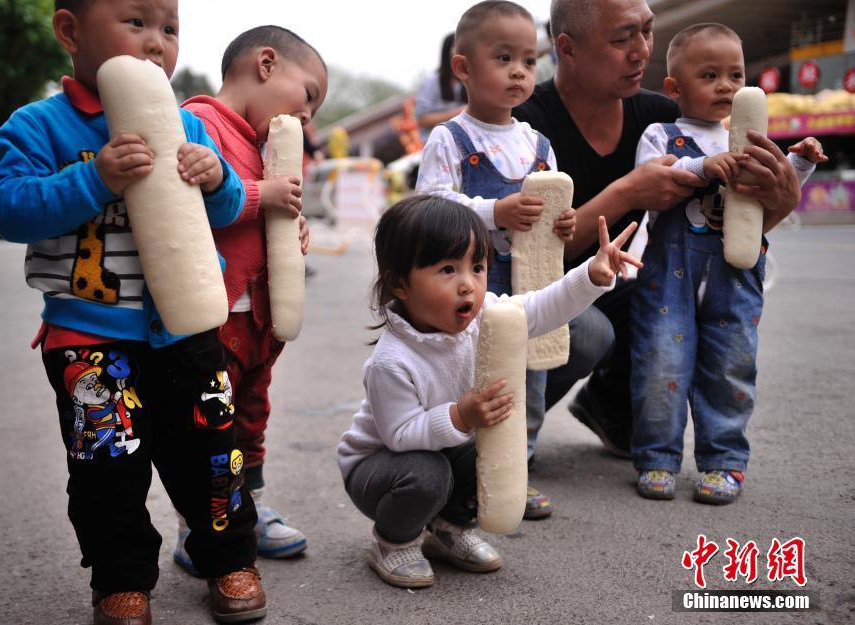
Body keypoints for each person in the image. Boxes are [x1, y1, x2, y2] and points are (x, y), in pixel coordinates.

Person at [0, 1, 266, 623]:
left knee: (215, 453)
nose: (156, 43)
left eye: (169, 29)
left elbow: (221, 215)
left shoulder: (186, 126)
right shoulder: (38, 126)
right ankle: (121, 578)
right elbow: (9, 208)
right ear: (70, 31)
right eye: (135, 23)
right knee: (107, 469)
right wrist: (95, 180)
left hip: (188, 329)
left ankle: (229, 559)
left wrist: (217, 180)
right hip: (89, 336)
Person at [514, 0, 804, 458]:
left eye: (647, 32)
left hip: (622, 282)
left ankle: (609, 405)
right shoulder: (525, 125)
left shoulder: (664, 120)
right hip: (535, 293)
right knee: (588, 331)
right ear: (567, 49)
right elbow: (528, 250)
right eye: (622, 38)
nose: (641, 51)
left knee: (671, 291)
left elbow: (718, 223)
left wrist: (781, 201)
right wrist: (628, 192)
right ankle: (497, 438)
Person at [338, 195, 640, 588]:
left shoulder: (484, 317)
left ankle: (449, 528)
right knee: (429, 474)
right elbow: (400, 435)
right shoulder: (391, 362)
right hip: (380, 467)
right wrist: (461, 417)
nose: (469, 284)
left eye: (477, 267)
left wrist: (591, 276)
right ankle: (393, 541)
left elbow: (537, 309)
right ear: (401, 284)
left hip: (441, 449)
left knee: (494, 458)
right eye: (448, 269)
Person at [630, 23, 826, 504]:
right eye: (710, 75)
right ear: (675, 87)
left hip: (734, 276)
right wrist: (701, 167)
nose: (726, 86)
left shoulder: (751, 137)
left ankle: (723, 462)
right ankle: (657, 457)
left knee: (730, 364)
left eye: (735, 75)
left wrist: (800, 162)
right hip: (667, 274)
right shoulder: (663, 134)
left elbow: (774, 190)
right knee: (661, 362)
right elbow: (650, 177)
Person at [171, 25, 327, 568]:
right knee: (214, 421)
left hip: (259, 314)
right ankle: (201, 524)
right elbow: (192, 205)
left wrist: (294, 227)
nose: (309, 119)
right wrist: (266, 197)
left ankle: (250, 507)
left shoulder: (269, 145)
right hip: (215, 313)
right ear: (266, 64)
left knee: (253, 414)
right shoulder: (199, 122)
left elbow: (271, 220)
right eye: (308, 97)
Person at [415, 0, 576, 520]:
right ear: (463, 67)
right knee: (466, 381)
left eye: (530, 61)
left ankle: (514, 470)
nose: (519, 71)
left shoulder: (539, 143)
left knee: (525, 380)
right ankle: (462, 478)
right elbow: (431, 206)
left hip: (527, 282)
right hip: (467, 287)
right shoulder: (450, 138)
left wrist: (562, 223)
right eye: (503, 57)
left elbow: (552, 211)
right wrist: (493, 210)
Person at [414, 33, 468, 144]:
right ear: (447, 51)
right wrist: (458, 112)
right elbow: (421, 119)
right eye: (455, 46)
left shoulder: (470, 77)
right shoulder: (432, 82)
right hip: (438, 144)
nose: (460, 50)